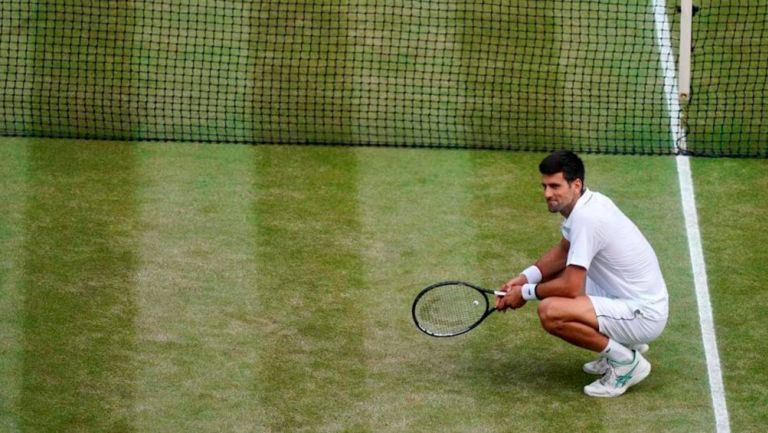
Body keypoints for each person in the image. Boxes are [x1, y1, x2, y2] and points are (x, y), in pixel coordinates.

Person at [496, 150, 668, 398]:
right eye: (544, 186)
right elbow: (564, 250)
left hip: (643, 315)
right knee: (577, 276)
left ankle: (625, 361)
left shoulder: (587, 218)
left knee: (551, 311)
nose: (547, 194)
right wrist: (525, 278)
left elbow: (569, 287)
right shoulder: (588, 203)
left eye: (555, 186)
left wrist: (524, 293)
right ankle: (622, 344)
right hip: (632, 300)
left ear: (576, 185)